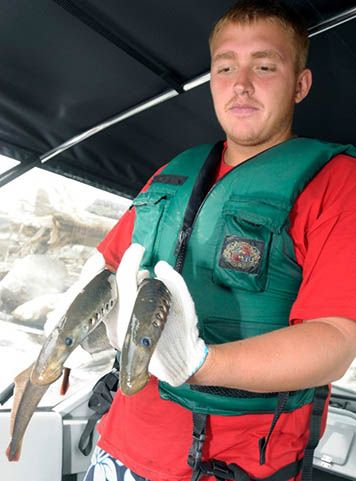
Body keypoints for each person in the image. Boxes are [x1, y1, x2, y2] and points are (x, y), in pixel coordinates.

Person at [78, 1, 356, 480]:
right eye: (225, 67)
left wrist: (201, 364)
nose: (241, 83)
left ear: (300, 84)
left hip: (231, 465)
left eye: (265, 66)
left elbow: (335, 341)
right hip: (118, 445)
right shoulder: (173, 171)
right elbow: (107, 267)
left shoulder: (337, 183)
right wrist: (68, 337)